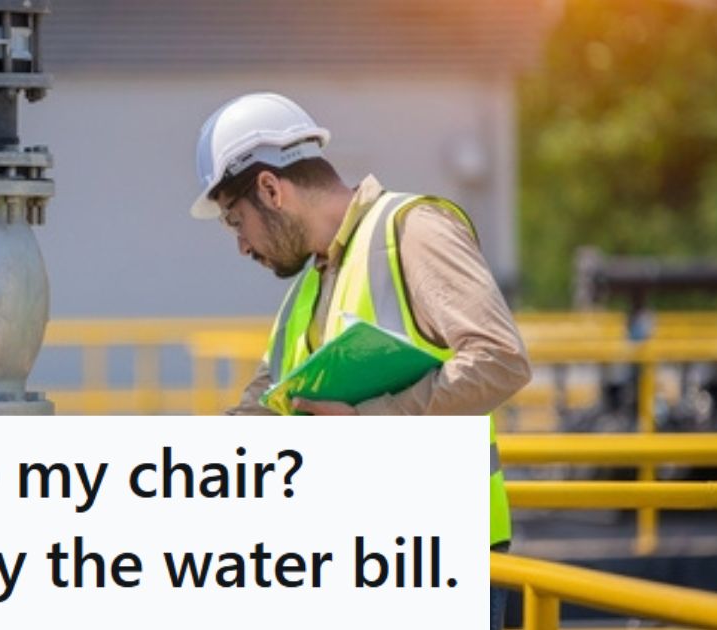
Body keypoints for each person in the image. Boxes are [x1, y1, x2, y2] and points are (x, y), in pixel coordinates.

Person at [189, 92, 531, 630]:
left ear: (271, 189)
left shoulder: (413, 230)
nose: (242, 247)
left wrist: (373, 424)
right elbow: (265, 406)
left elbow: (500, 360)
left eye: (236, 222)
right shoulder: (309, 289)